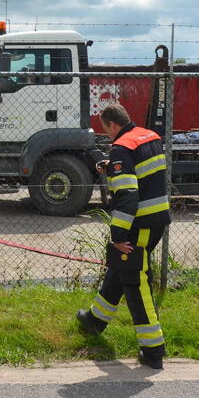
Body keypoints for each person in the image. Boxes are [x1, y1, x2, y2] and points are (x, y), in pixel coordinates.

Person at [77, 104, 171, 370]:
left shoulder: (121, 148)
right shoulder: (148, 136)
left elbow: (128, 196)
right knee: (122, 268)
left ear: (111, 124)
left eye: (105, 129)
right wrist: (115, 167)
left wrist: (118, 233)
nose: (106, 135)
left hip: (139, 224)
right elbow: (144, 173)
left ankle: (153, 351)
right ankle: (95, 321)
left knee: (136, 281)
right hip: (156, 218)